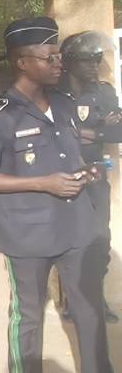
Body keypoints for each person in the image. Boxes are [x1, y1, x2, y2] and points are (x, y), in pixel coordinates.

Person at [0, 17, 119, 373]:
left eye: (58, 56)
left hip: (76, 227)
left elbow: (69, 153)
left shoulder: (65, 104)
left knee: (88, 309)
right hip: (26, 233)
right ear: (22, 61)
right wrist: (45, 183)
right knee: (28, 313)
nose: (59, 63)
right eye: (49, 57)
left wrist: (89, 171)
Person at [57, 30, 120, 325]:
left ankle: (97, 297)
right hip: (62, 175)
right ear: (69, 62)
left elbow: (117, 132)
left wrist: (80, 132)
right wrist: (95, 128)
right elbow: (53, 134)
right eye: (86, 61)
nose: (94, 66)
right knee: (70, 239)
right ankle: (71, 298)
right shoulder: (53, 93)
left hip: (96, 172)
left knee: (100, 238)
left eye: (97, 60)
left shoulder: (105, 92)